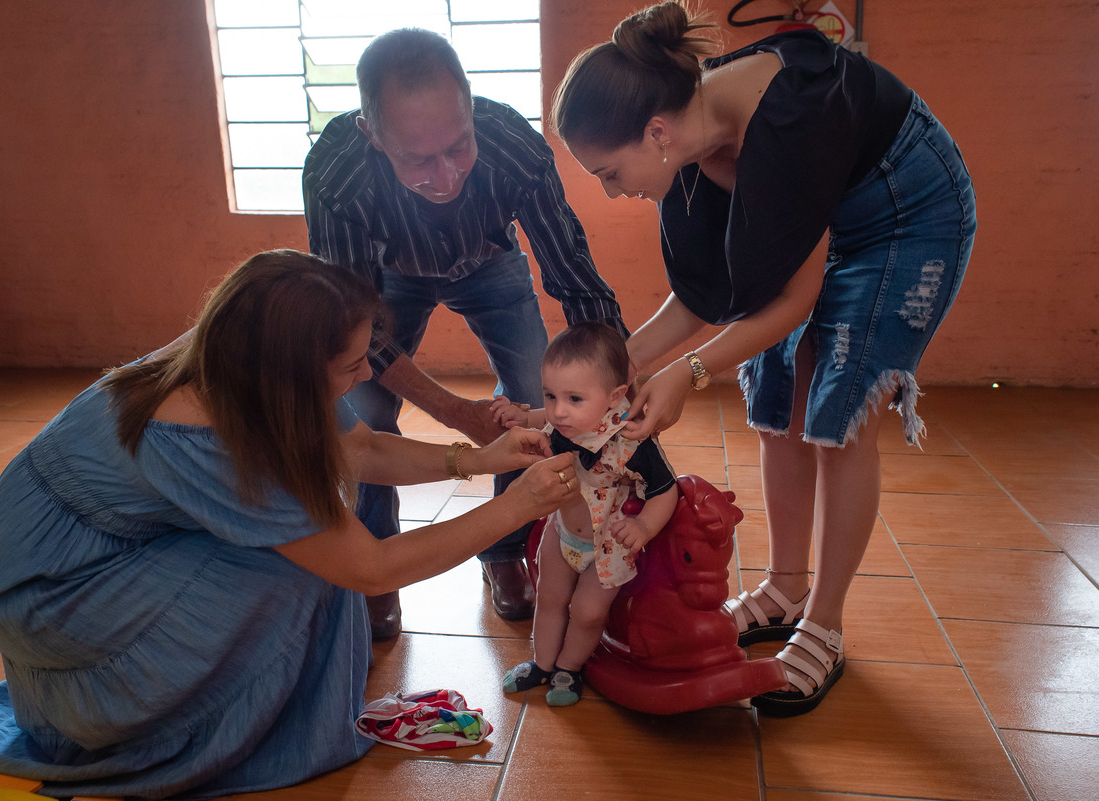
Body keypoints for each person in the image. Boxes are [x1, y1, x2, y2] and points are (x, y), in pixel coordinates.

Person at [0, 250, 579, 800]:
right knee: (301, 570)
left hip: (78, 546)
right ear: (295, 368)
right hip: (48, 587)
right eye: (352, 364)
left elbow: (360, 449)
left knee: (307, 550)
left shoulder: (250, 356)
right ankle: (170, 727)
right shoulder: (203, 432)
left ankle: (252, 706)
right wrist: (513, 505)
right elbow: (370, 567)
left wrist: (476, 459)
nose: (366, 375)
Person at [552, 2, 976, 716]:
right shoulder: (684, 136)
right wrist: (608, 373)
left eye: (607, 170)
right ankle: (785, 585)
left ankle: (826, 622)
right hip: (824, 207)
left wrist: (688, 373)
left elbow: (792, 297)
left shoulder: (788, 127)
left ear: (652, 134)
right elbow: (704, 297)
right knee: (777, 397)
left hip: (906, 212)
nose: (611, 190)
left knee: (840, 411)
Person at [303, 27, 630, 638]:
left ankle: (504, 551)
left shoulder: (512, 145)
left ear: (470, 107)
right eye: (417, 160)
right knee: (364, 407)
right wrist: (459, 414)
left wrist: (613, 383)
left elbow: (574, 277)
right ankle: (379, 567)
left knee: (542, 389)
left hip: (490, 262)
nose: (446, 176)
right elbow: (356, 330)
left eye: (458, 147)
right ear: (373, 135)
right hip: (386, 282)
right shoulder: (336, 174)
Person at [491, 323, 678, 706]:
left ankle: (569, 669)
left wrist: (643, 525)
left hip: (609, 544)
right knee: (549, 596)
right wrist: (520, 414)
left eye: (574, 398)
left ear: (615, 397)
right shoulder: (566, 422)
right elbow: (545, 417)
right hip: (562, 533)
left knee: (588, 611)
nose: (558, 411)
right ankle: (542, 664)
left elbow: (666, 489)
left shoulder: (633, 439)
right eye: (550, 395)